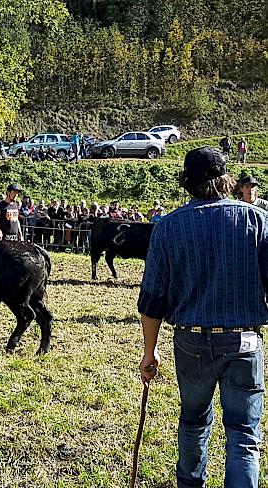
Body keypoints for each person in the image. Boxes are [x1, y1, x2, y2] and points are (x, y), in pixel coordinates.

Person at [138, 146, 267, 488]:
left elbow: (151, 300)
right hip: (245, 340)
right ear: (226, 180)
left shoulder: (168, 227)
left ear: (186, 181)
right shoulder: (256, 220)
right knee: (243, 434)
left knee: (194, 421)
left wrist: (149, 352)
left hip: (191, 339)